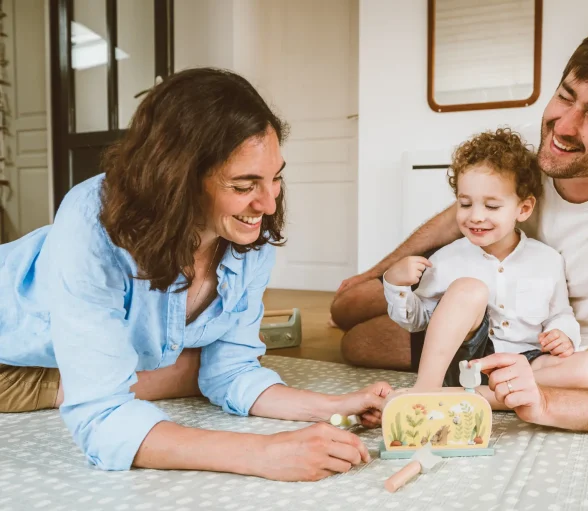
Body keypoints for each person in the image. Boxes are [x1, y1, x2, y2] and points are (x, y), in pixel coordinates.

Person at [0, 67, 391, 481]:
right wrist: (263, 452)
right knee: (154, 378)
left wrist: (335, 405)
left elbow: (232, 370)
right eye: (243, 186)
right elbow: (101, 419)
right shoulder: (89, 221)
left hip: (80, 349)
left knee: (200, 367)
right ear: (178, 180)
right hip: (8, 358)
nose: (269, 204)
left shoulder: (245, 234)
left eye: (274, 178)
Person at [332, 19, 588, 432]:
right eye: (565, 96)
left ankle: (460, 397)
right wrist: (378, 273)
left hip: (531, 348)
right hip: (465, 311)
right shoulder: (533, 147)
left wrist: (537, 400)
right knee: (347, 310)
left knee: (357, 342)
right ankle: (407, 331)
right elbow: (459, 215)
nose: (563, 126)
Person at [382, 128, 588, 398]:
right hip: (465, 362)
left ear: (523, 209)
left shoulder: (547, 260)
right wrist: (395, 284)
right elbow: (418, 321)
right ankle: (427, 390)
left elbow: (560, 313)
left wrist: (562, 333)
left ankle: (479, 398)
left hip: (525, 364)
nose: (475, 216)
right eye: (465, 204)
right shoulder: (446, 259)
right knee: (469, 289)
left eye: (491, 206)